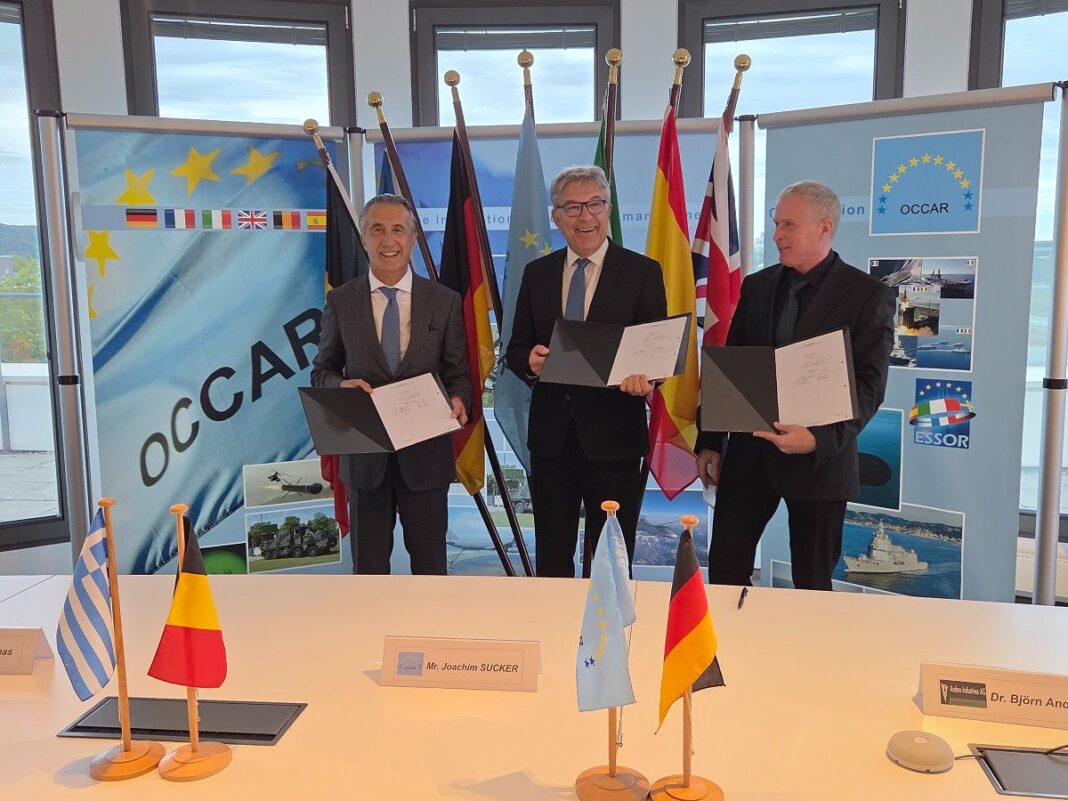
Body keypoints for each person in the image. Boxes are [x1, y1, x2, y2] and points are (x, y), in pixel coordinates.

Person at [695, 180, 895, 591]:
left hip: (819, 464)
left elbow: (869, 385)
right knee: (726, 569)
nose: (776, 235)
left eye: (788, 225)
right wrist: (710, 439)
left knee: (812, 583)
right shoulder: (758, 286)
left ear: (824, 227)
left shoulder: (867, 295)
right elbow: (733, 366)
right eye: (776, 223)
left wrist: (818, 439)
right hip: (750, 455)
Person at [506, 165, 667, 577]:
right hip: (552, 440)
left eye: (595, 204)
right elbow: (516, 349)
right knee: (552, 559)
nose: (585, 216)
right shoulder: (537, 274)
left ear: (608, 209)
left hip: (616, 439)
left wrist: (647, 380)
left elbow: (655, 353)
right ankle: (556, 619)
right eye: (573, 207)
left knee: (611, 561)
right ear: (556, 216)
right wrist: (530, 362)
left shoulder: (642, 272)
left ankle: (609, 623)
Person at [311, 194, 471, 575]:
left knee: (431, 572)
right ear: (363, 239)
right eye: (377, 230)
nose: (388, 240)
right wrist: (341, 387)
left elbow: (459, 374)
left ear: (412, 239)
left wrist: (459, 398)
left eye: (398, 230)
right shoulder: (341, 302)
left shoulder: (444, 301)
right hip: (366, 463)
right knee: (368, 574)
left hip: (426, 461)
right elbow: (321, 372)